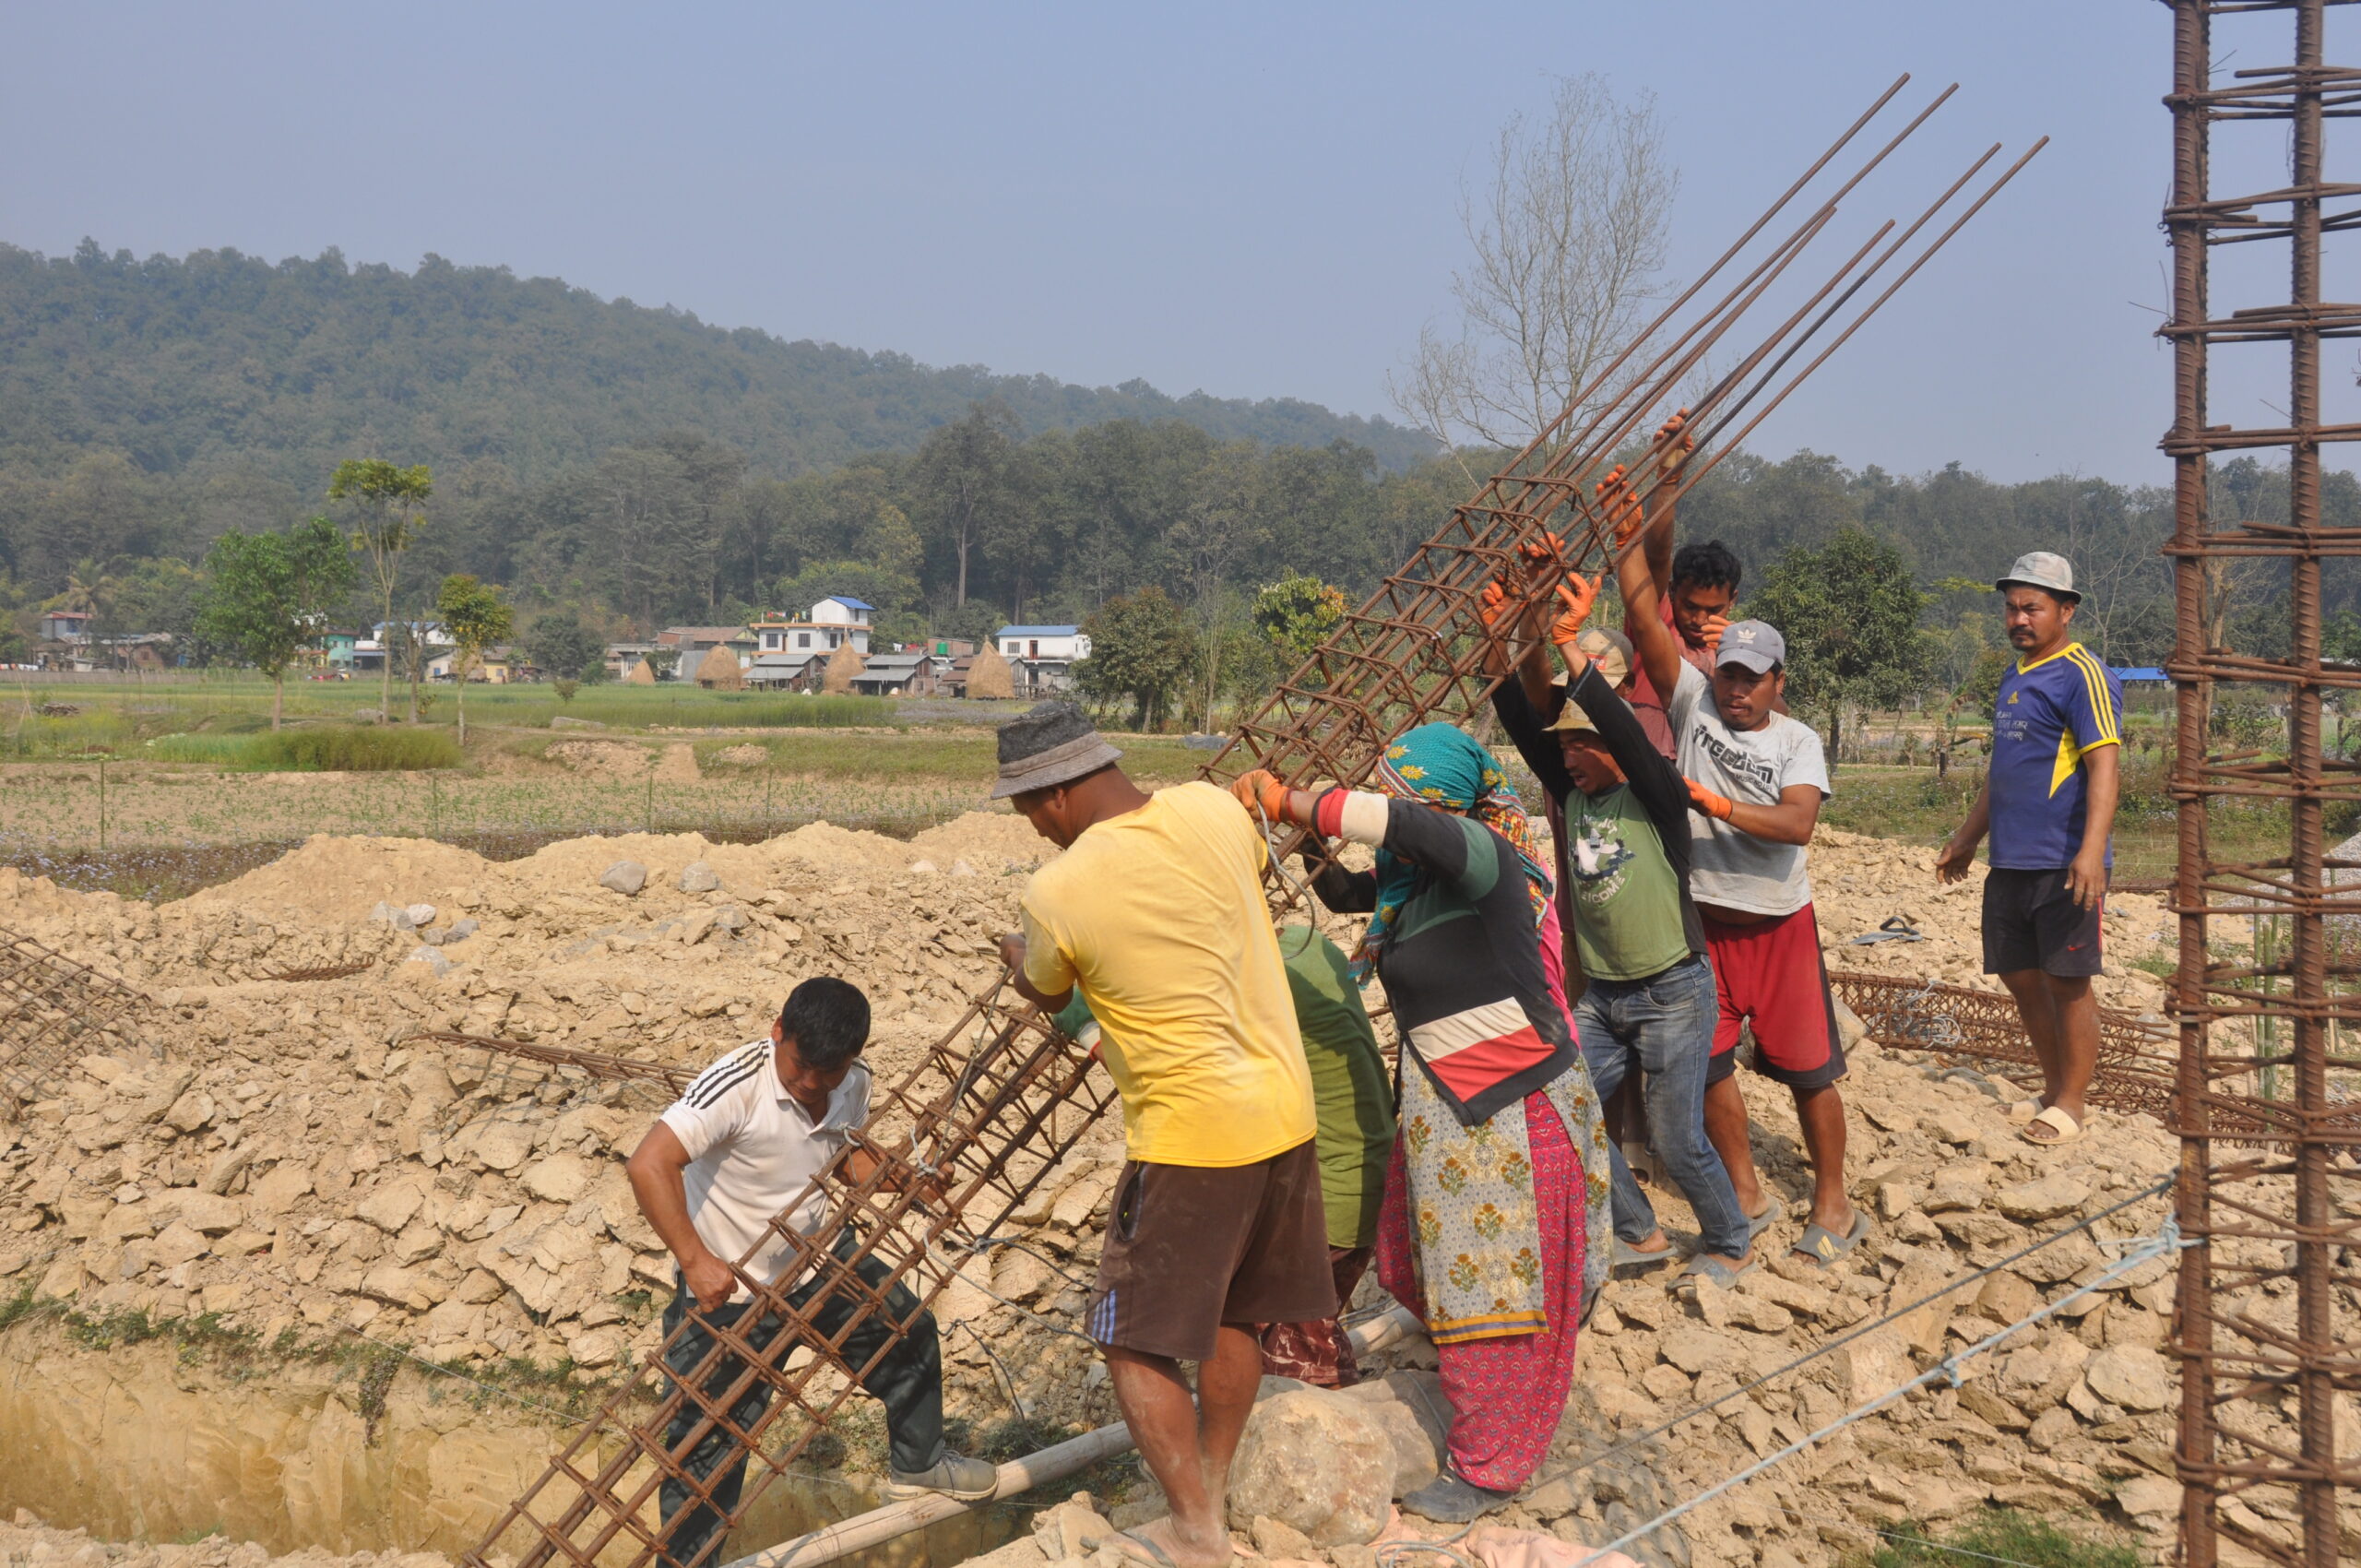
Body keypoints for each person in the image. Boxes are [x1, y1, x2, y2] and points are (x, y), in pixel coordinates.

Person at [1235, 726, 1613, 1524]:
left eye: (1399, 799)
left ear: (1436, 808)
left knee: (1496, 1296)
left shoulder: (1484, 861)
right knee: (1434, 1272)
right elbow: (1343, 892)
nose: (1396, 823)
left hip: (1513, 1114)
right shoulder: (1413, 883)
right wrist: (1298, 833)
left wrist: (1297, 799)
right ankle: (1478, 1391)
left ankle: (1492, 1466)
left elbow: (1416, 831)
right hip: (1453, 1107)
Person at [992, 702, 1330, 1568]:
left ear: (1055, 793)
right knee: (1237, 1317)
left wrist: (1018, 959)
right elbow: (1239, 881)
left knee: (1129, 1336)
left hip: (1190, 1139)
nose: (1034, 830)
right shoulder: (1212, 807)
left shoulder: (1057, 892)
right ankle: (1209, 1493)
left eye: (1030, 811)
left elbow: (1045, 981)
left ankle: (1193, 1529)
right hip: (1285, 1115)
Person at [625, 978, 994, 1568]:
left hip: (819, 1262)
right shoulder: (737, 1086)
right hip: (730, 1295)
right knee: (707, 1446)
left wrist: (901, 1176)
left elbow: (842, 1154)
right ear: (779, 1032)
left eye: (830, 1073)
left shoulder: (854, 1081)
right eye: (801, 1067)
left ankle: (920, 1464)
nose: (812, 1084)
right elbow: (648, 1163)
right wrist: (696, 1260)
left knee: (909, 1332)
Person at [1489, 577, 1756, 1285]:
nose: (1568, 756)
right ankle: (1638, 1231)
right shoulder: (1575, 793)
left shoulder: (1656, 794)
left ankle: (1729, 1238)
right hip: (1604, 997)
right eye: (1564, 746)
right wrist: (1506, 639)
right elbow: (1517, 713)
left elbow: (1631, 741)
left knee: (1676, 1135)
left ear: (1614, 743)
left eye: (1582, 742)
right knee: (1559, 1104)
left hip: (1673, 988)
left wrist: (1570, 646)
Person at [1621, 544, 1861, 1265]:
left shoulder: (1798, 742)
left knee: (1810, 1071)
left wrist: (1715, 802)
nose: (1737, 690)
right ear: (1712, 673)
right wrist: (1645, 510)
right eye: (1728, 673)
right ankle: (1747, 1194)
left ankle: (1834, 1202)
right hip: (1703, 925)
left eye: (1753, 679)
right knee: (1711, 1064)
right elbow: (1640, 608)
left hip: (1779, 928)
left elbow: (1797, 825)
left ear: (1776, 682)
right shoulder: (1690, 702)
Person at [1056, 921, 1394, 1389]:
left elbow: (1155, 1071)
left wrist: (1080, 1019)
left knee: (1297, 1373)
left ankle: (1336, 1449)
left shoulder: (1244, 978)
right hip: (1364, 1178)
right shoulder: (1303, 942)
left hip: (1322, 1203)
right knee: (1292, 1345)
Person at [1936, 552, 2122, 1147]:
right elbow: (2003, 770)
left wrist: (2091, 851)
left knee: (2069, 982)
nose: (2019, 618)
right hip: (2010, 860)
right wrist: (1968, 839)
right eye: (2012, 607)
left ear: (2065, 611)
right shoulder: (2014, 678)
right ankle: (2051, 1089)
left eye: (2033, 607)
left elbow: (2105, 768)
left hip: (2062, 861)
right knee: (2020, 976)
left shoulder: (2082, 674)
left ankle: (2073, 1101)